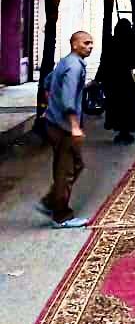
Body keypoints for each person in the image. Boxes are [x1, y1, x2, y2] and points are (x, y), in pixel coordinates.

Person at [36, 30, 94, 229]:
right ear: (74, 44)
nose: (90, 47)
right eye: (86, 43)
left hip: (54, 123)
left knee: (75, 164)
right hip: (63, 127)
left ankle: (51, 201)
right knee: (66, 170)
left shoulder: (65, 62)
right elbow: (69, 100)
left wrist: (50, 106)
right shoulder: (74, 67)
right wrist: (74, 126)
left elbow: (47, 83)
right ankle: (61, 216)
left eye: (91, 43)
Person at [98, 19, 135, 146]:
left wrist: (98, 79)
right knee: (131, 100)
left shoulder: (111, 42)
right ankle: (127, 129)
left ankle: (121, 130)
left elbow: (104, 63)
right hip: (134, 74)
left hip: (114, 76)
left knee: (116, 102)